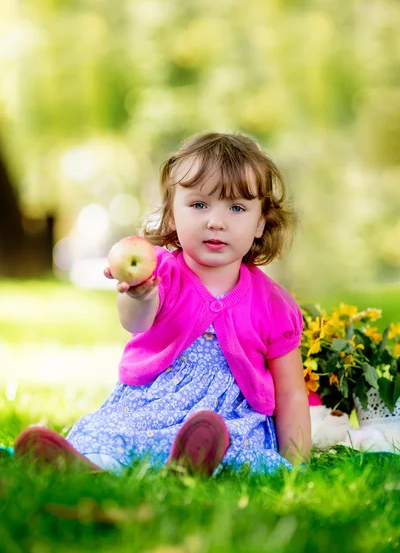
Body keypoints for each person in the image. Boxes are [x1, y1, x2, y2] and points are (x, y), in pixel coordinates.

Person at [14, 132, 311, 476]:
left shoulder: (274, 303)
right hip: (151, 405)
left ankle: (197, 461)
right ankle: (93, 466)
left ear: (260, 222)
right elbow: (136, 322)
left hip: (228, 419)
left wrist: (296, 466)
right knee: (115, 434)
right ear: (171, 215)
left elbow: (291, 394)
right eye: (199, 205)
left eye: (236, 208)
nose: (216, 220)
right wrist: (138, 295)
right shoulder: (159, 273)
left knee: (231, 443)